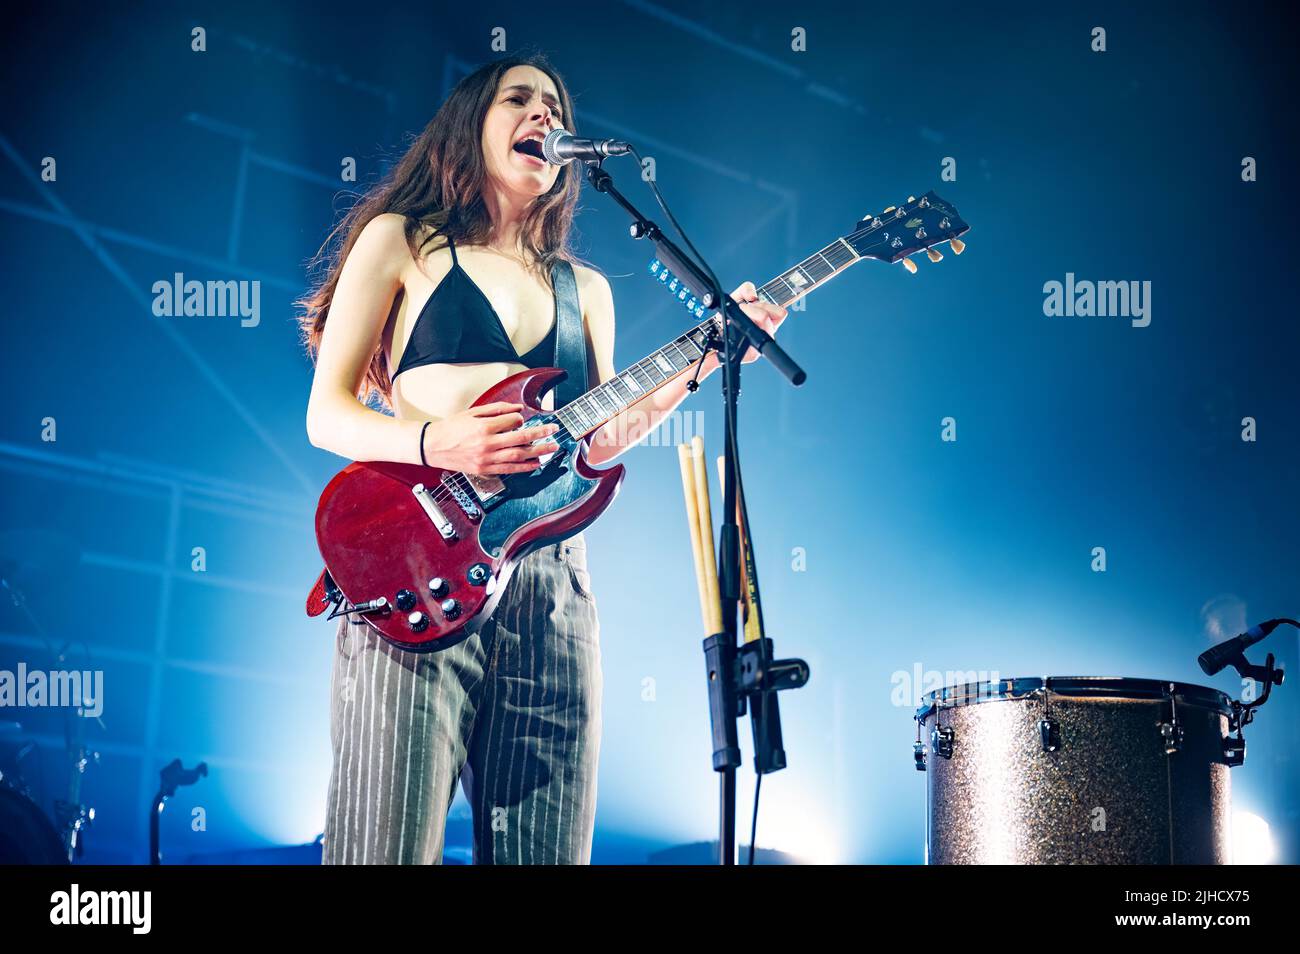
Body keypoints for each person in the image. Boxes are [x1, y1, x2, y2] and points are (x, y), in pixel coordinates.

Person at [299, 54, 786, 864]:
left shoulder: (585, 287)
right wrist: (436, 439)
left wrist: (700, 363)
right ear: (469, 126)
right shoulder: (402, 243)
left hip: (554, 585)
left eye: (553, 104)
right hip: (418, 561)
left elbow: (596, 439)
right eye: (517, 100)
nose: (541, 114)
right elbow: (328, 413)